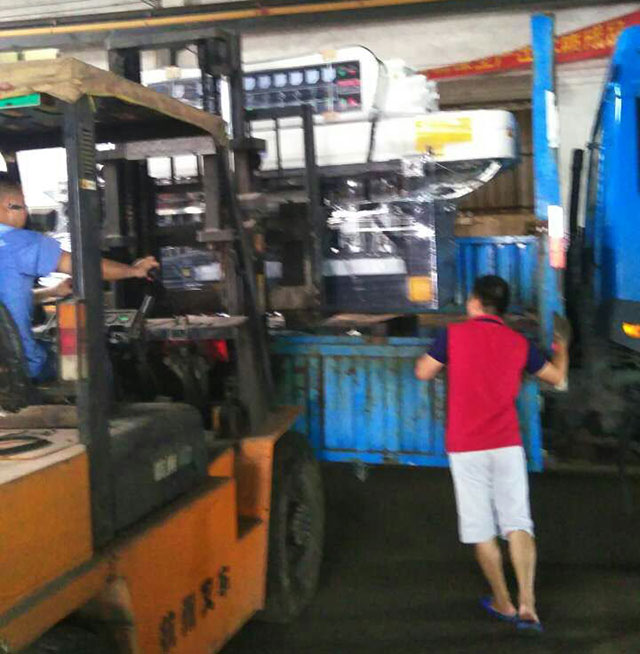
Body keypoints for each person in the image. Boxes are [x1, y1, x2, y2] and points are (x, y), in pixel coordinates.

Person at [414, 275, 569, 633]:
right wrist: (562, 346)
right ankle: (528, 604)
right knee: (518, 523)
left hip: (466, 447)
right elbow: (557, 377)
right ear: (502, 308)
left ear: (474, 302)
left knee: (481, 529)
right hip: (507, 444)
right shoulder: (519, 342)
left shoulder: (453, 335)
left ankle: (503, 602)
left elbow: (423, 372)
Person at [0, 175, 159, 383]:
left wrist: (51, 292)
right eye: (22, 206)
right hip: (21, 368)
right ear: (8, 205)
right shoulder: (21, 243)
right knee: (96, 362)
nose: (26, 213)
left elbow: (6, 299)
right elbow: (86, 267)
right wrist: (134, 271)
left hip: (5, 367)